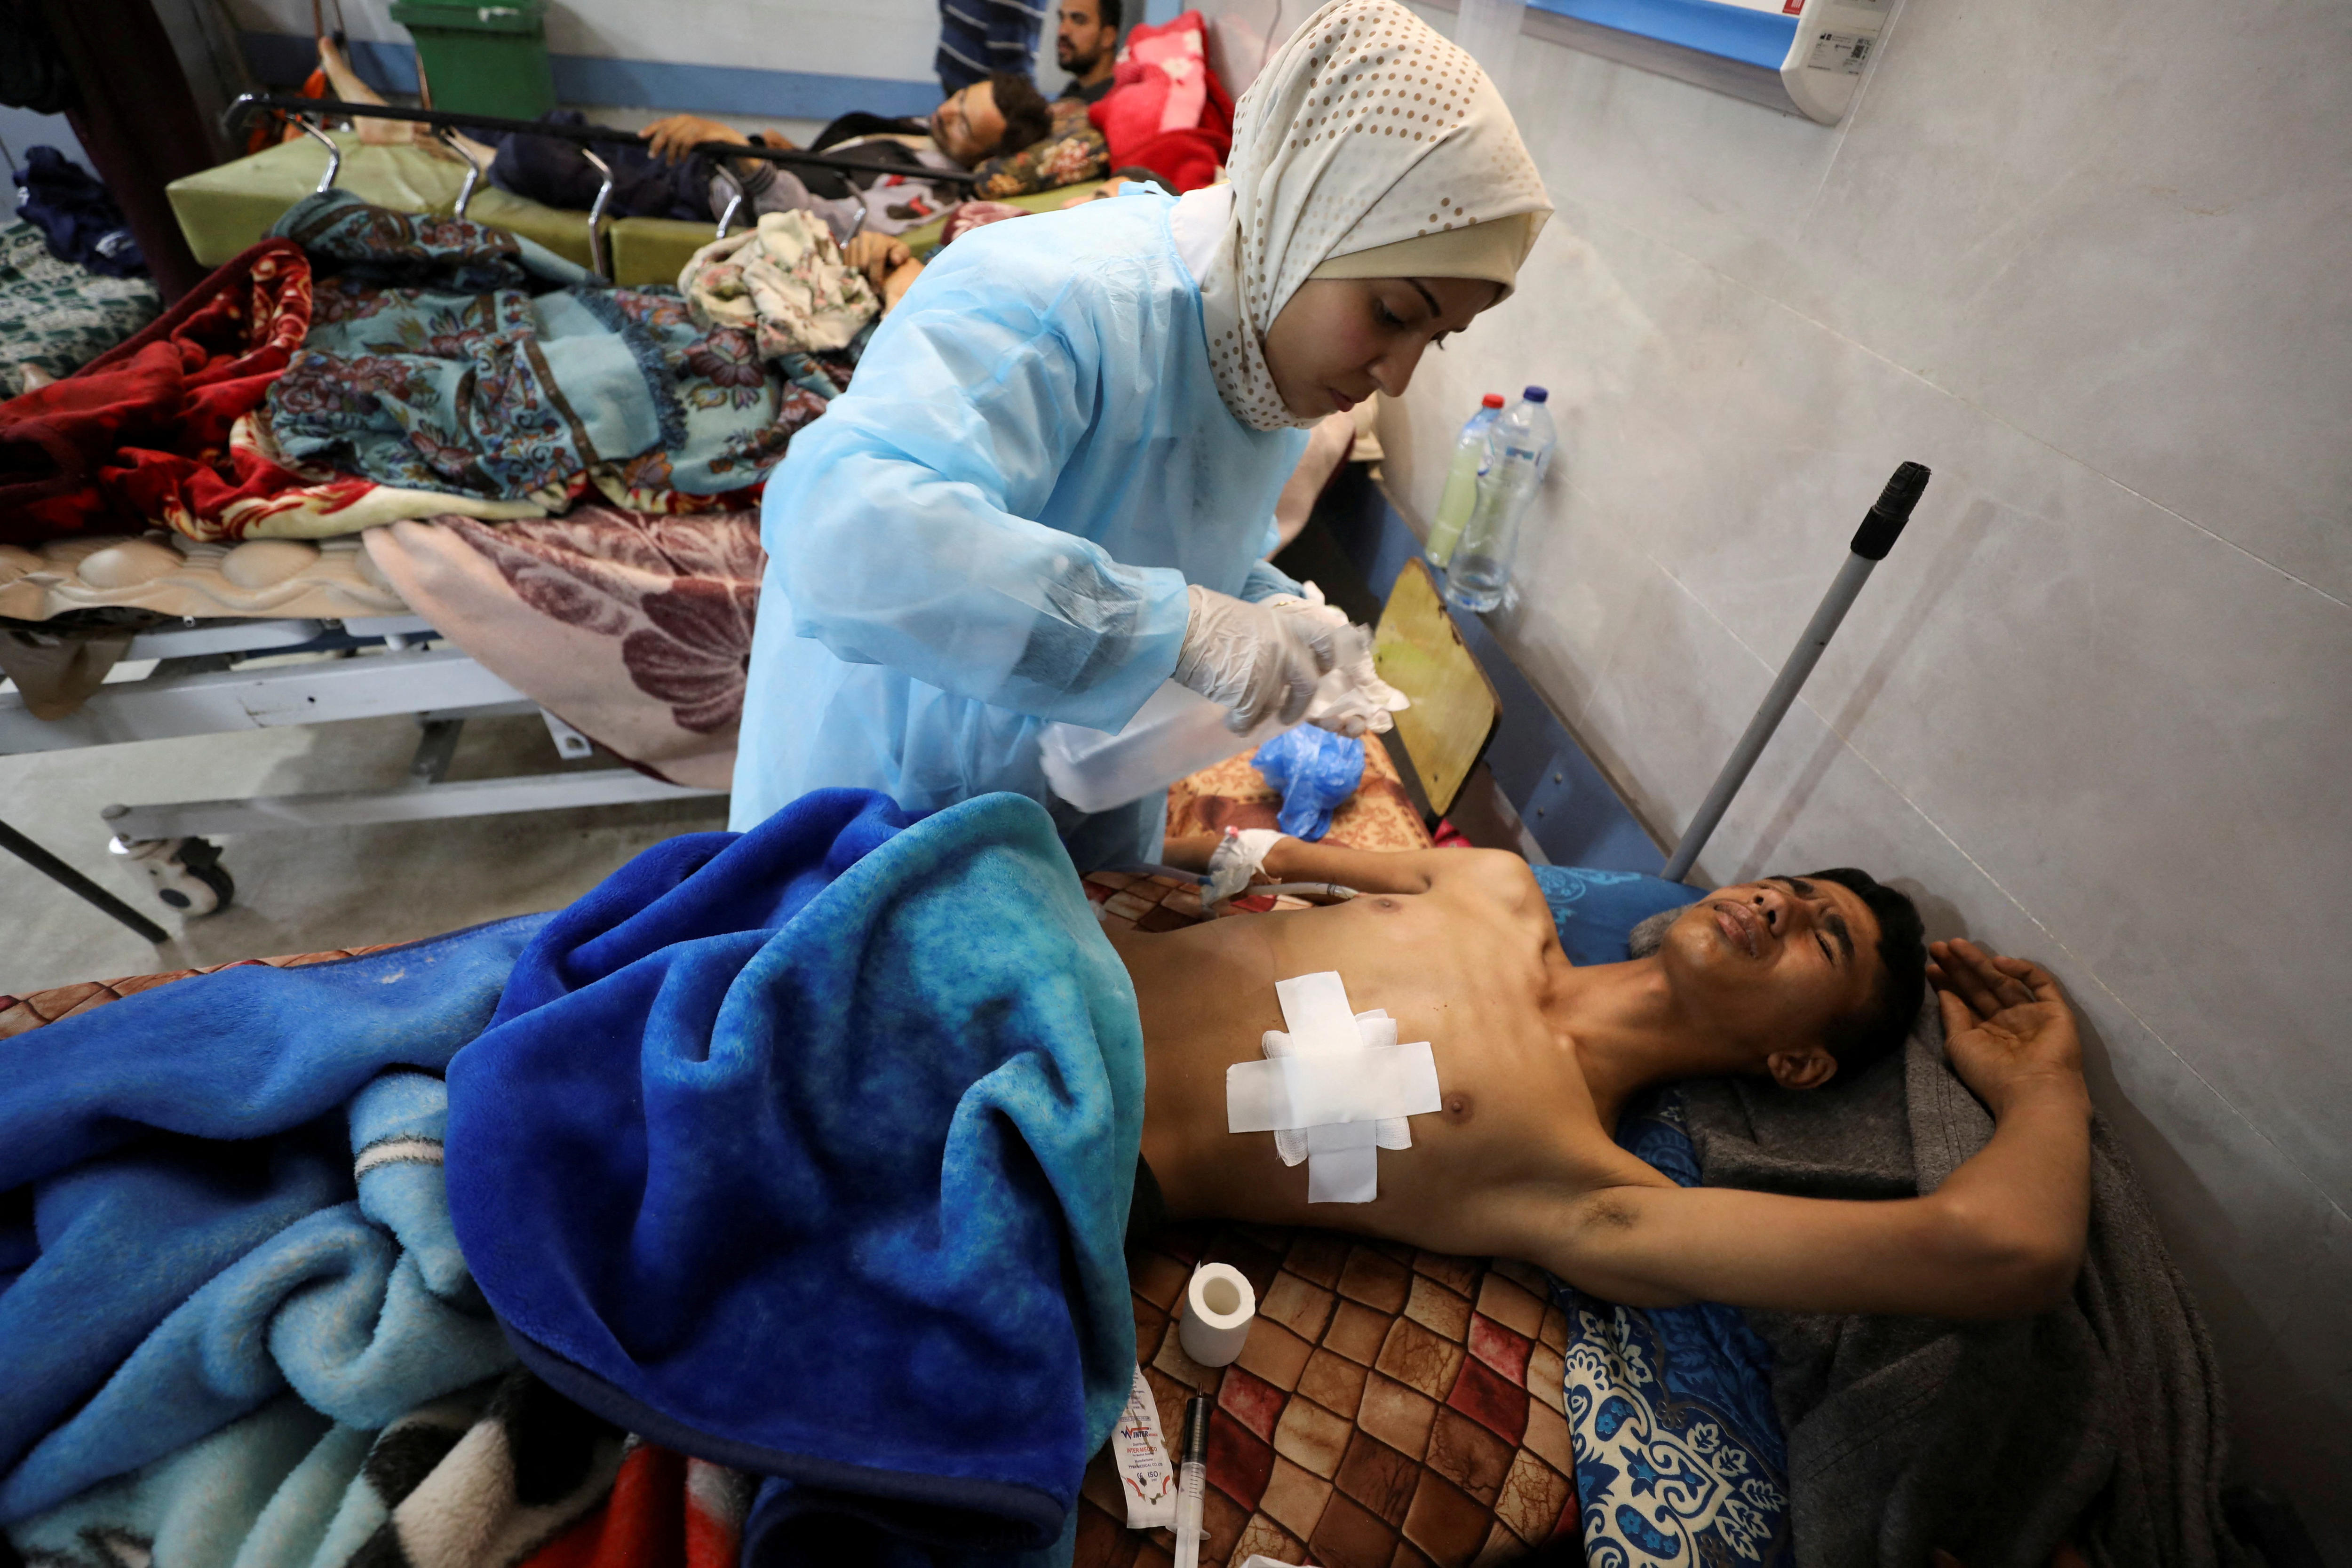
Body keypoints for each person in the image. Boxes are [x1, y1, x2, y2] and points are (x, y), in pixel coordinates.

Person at [730, 0, 1555, 870]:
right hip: (880, 801)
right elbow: (850, 536)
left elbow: (1148, 537)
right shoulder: (1057, 304)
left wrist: (1267, 607)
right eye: (1391, 313)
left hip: (1050, 804)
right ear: (1307, 218)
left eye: (1436, 339)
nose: (1398, 375)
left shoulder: (1254, 359)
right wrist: (1180, 630)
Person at [1126, 832, 2092, 1317]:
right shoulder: (1492, 883)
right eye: (1792, 887)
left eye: (1822, 936)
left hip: (1086, 1149)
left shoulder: (1587, 1188)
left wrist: (2044, 1087)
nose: (1777, 904)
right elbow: (1251, 856)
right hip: (1063, 956)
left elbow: (2006, 1250)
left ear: (1799, 1062)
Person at [1054, 0, 1121, 104]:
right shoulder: (1070, 95)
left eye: (1079, 21)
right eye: (1062, 19)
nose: (1062, 31)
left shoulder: (1123, 103)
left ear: (1108, 37)